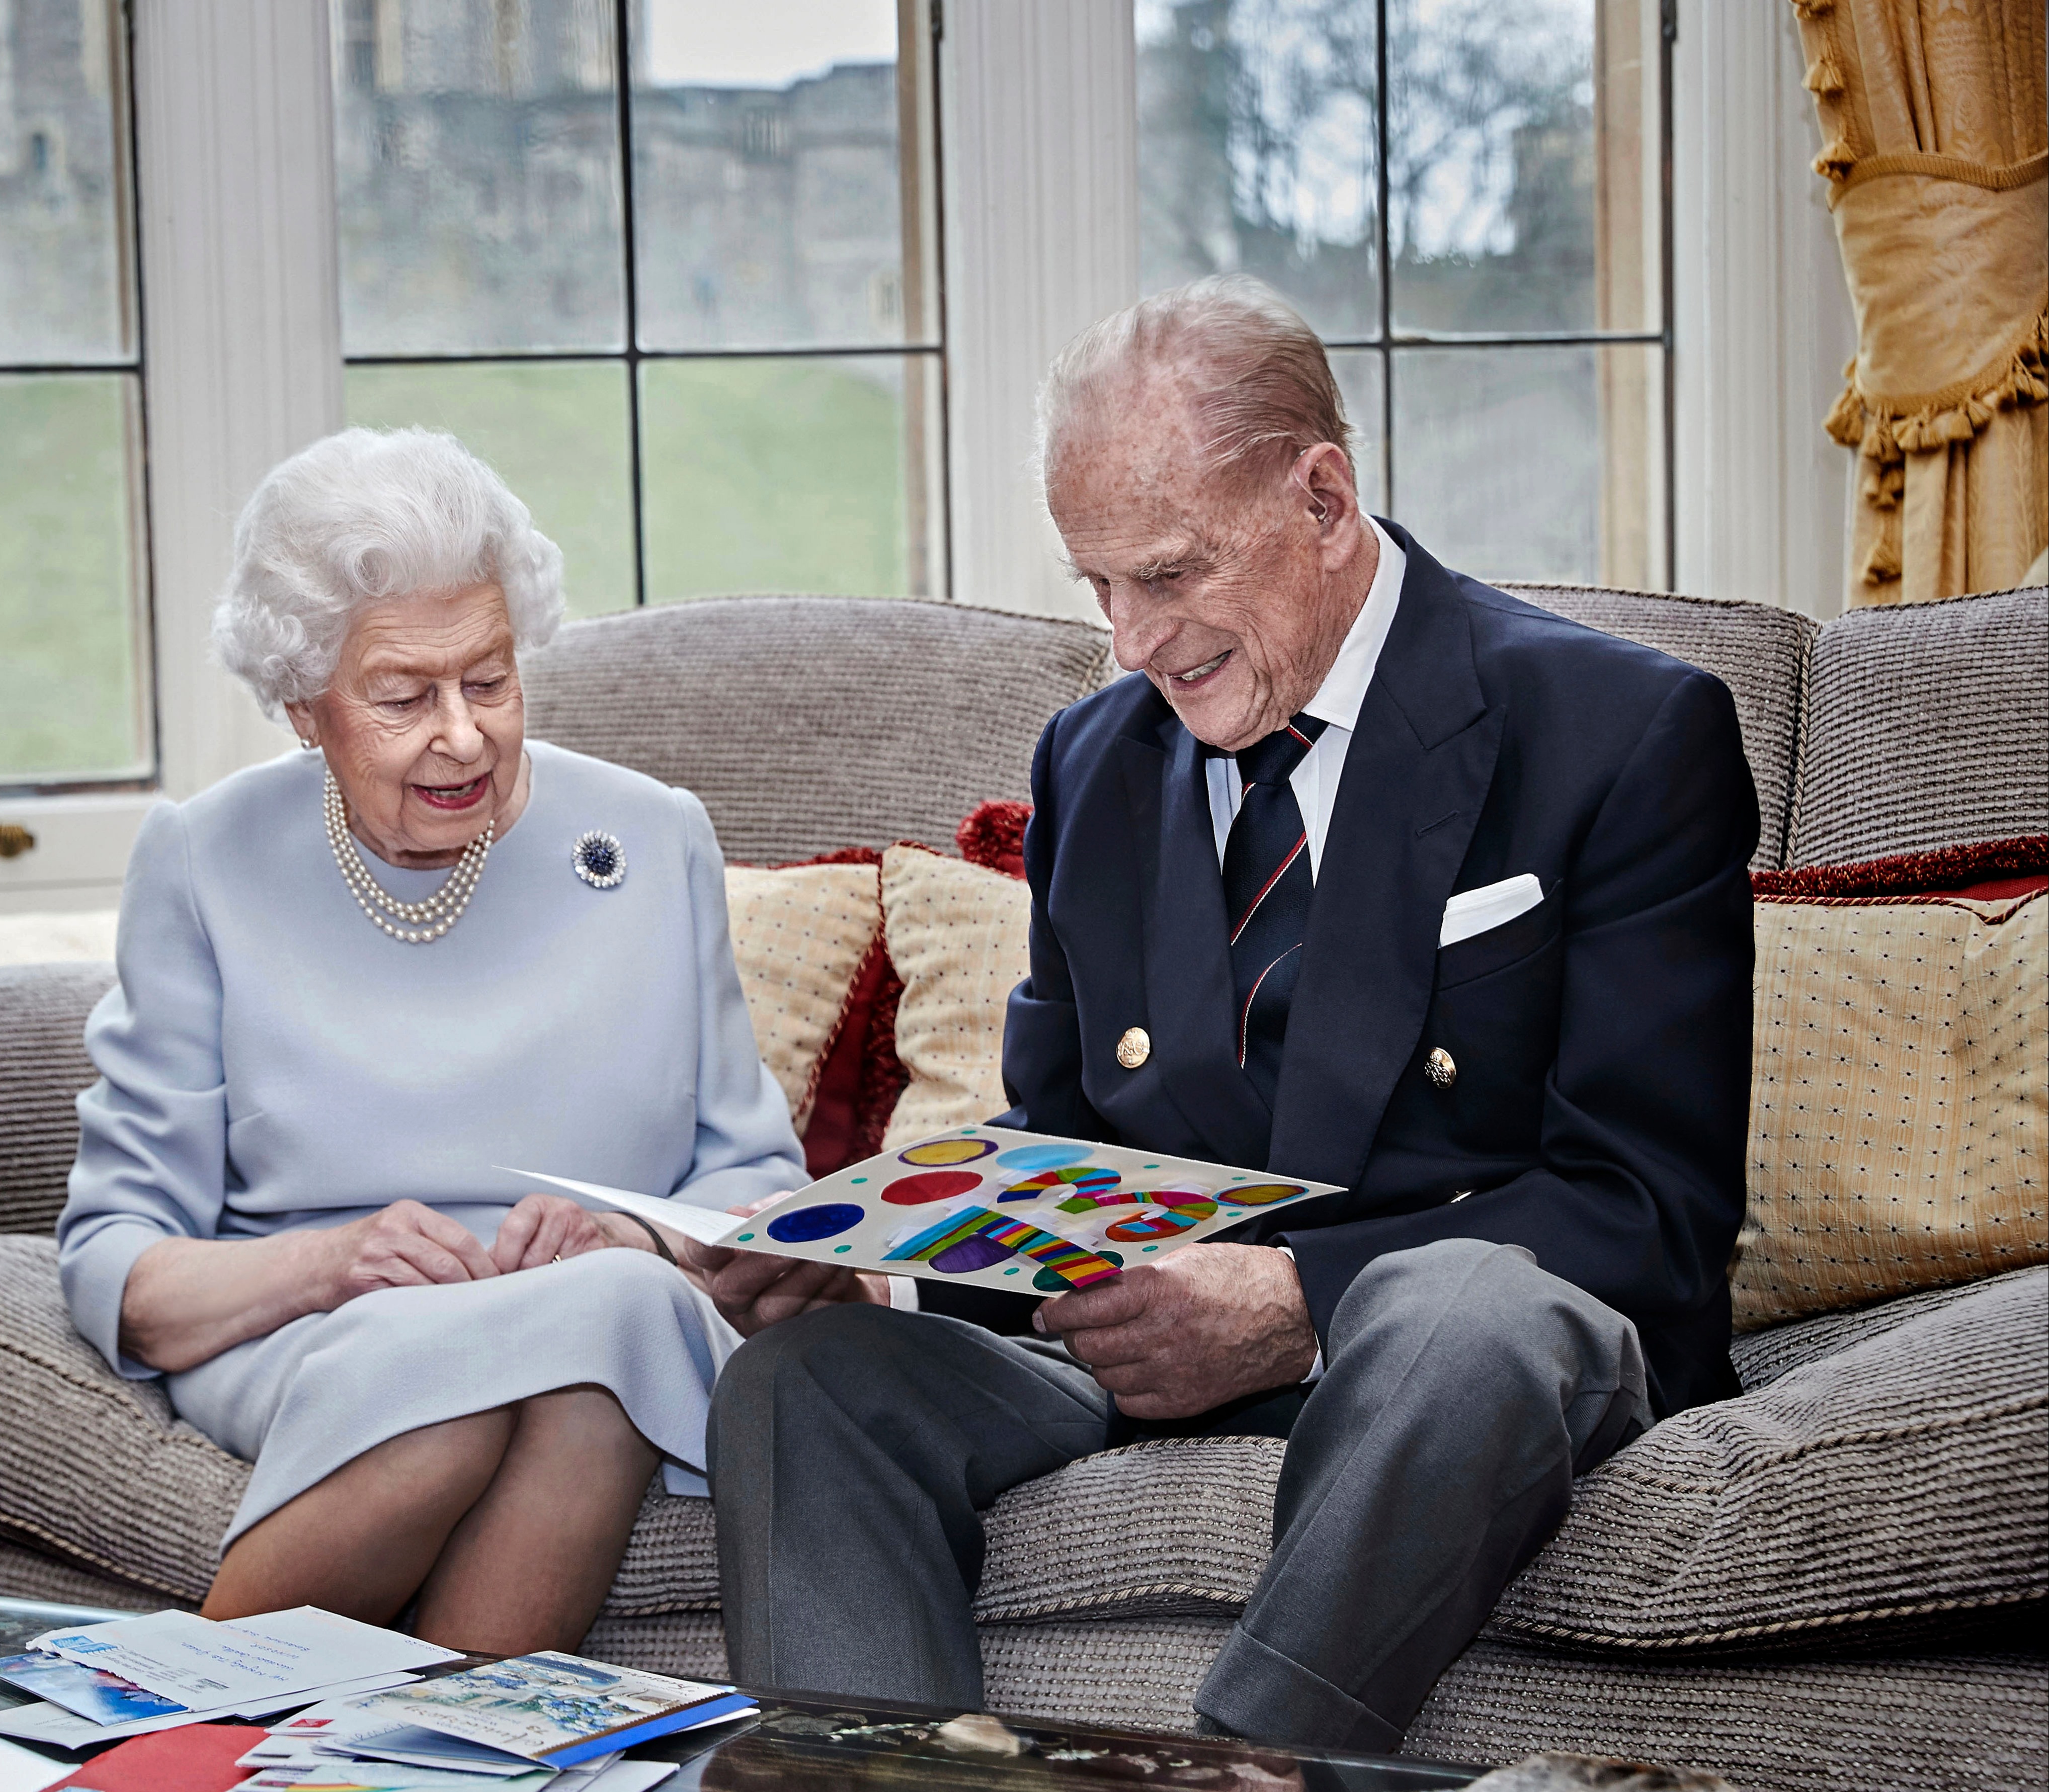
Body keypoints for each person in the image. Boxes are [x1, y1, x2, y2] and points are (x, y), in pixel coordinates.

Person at [697, 275, 1756, 1751]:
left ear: (1322, 495)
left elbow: (1650, 1209)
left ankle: (1238, 1775)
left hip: (1448, 1371)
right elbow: (1061, 1141)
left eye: (1172, 573)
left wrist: (1296, 1304)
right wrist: (886, 1264)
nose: (1133, 639)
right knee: (806, 1381)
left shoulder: (1619, 732)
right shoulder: (1096, 759)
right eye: (1099, 587)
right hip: (1143, 1360)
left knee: (1460, 1309)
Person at [57, 426, 814, 1652]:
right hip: (311, 1323)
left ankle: (179, 1745)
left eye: (491, 680)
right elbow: (120, 1261)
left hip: (600, 1306)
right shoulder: (205, 861)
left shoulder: (653, 837)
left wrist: (628, 1230)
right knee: (484, 1391)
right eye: (404, 697)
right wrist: (332, 1264)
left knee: (596, 1339)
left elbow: (756, 1184)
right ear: (306, 709)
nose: (462, 736)